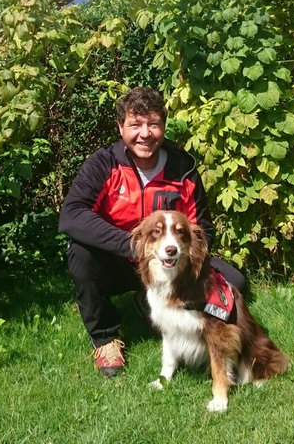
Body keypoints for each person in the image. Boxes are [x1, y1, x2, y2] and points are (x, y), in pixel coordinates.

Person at [58, 87, 246, 377]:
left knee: (236, 284)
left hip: (171, 264)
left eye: (153, 124)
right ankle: (106, 338)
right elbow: (71, 216)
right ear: (121, 127)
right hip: (120, 261)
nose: (145, 133)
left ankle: (157, 307)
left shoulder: (183, 168)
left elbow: (203, 229)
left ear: (163, 127)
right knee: (80, 254)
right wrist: (131, 246)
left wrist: (189, 260)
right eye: (135, 125)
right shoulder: (103, 164)